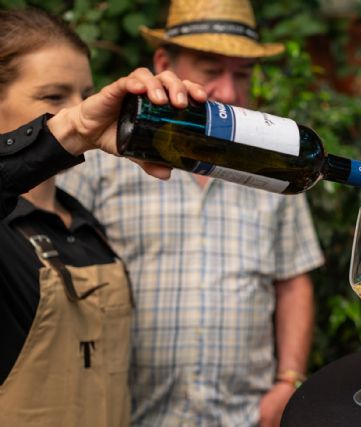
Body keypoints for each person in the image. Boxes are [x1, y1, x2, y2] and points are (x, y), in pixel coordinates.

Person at [57, 1, 325, 426]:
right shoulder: (105, 159)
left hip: (244, 417)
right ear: (164, 62)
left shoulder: (274, 167)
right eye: (210, 70)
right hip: (126, 414)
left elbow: (293, 280)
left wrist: (288, 381)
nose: (232, 93)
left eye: (242, 74)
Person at [0, 7, 206, 427]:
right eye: (54, 97)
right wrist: (68, 131)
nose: (82, 108)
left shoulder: (86, 228)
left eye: (85, 93)